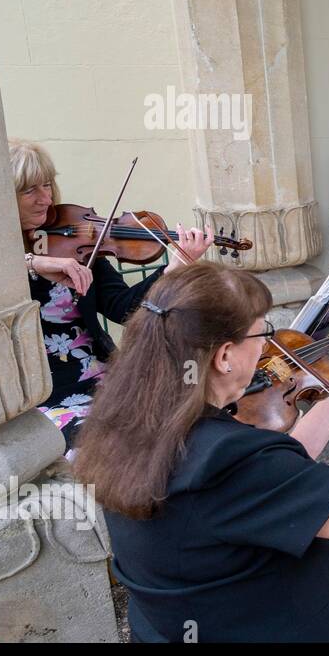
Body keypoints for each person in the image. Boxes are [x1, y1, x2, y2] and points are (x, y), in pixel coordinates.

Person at [74, 262, 329, 643]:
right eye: (261, 333)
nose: (269, 344)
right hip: (276, 625)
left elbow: (279, 474)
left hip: (191, 622)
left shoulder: (126, 424)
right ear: (224, 356)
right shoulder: (227, 457)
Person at [12, 141, 213, 450]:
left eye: (47, 185)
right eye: (30, 191)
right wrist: (33, 263)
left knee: (185, 417)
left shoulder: (74, 235)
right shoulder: (3, 258)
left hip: (103, 376)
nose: (46, 199)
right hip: (41, 397)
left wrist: (174, 267)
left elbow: (125, 308)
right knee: (109, 445)